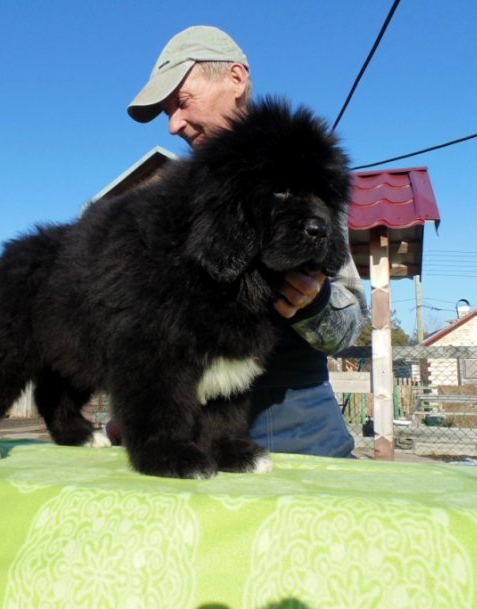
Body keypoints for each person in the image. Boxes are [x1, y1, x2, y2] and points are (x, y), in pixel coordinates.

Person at [126, 25, 369, 458]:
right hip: (191, 440)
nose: (173, 124)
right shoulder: (168, 195)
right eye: (168, 112)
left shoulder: (307, 171)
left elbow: (350, 326)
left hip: (301, 440)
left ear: (235, 79)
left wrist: (314, 303)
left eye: (182, 103)